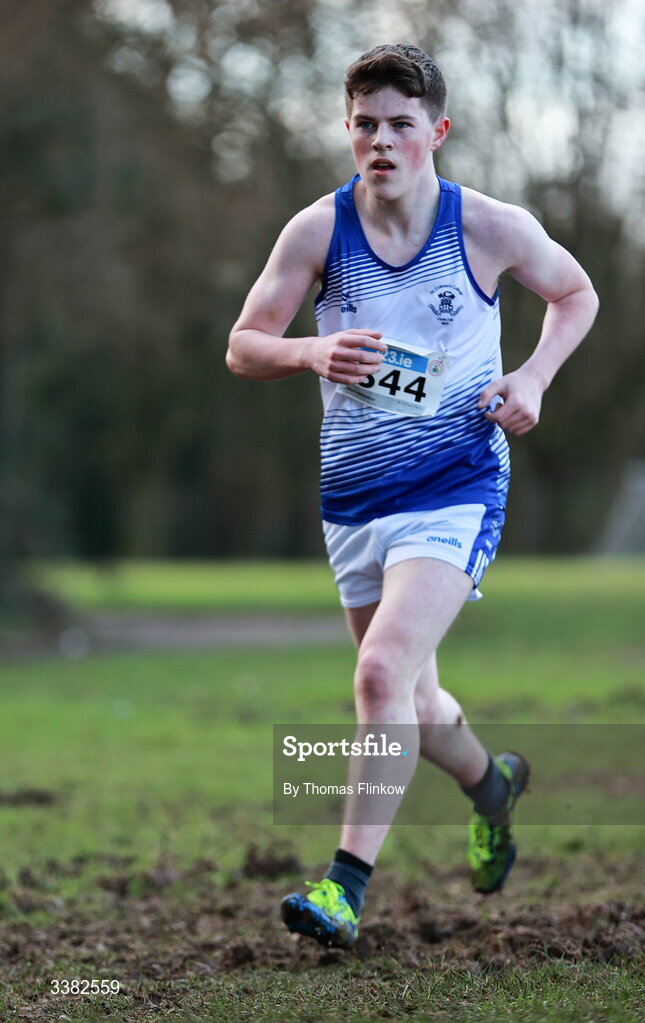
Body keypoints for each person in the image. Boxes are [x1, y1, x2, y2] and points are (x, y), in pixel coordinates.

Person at [226, 43, 599, 949]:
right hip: (352, 497)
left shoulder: (486, 226)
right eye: (364, 125)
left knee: (380, 673)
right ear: (346, 131)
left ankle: (344, 887)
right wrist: (310, 351)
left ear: (436, 131)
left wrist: (535, 377)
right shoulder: (316, 232)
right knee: (413, 702)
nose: (380, 141)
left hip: (456, 484)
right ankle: (490, 785)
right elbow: (243, 343)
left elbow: (574, 292)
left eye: (400, 124)